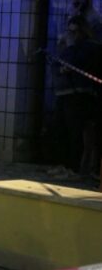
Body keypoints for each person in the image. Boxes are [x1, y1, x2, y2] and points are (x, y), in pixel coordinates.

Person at [53, 15, 100, 176]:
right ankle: (64, 165)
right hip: (64, 93)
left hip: (80, 95)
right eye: (69, 31)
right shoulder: (67, 47)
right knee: (61, 130)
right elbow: (57, 64)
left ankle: (76, 168)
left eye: (75, 31)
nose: (71, 35)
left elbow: (80, 64)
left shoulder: (90, 47)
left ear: (82, 31)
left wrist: (71, 48)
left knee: (76, 133)